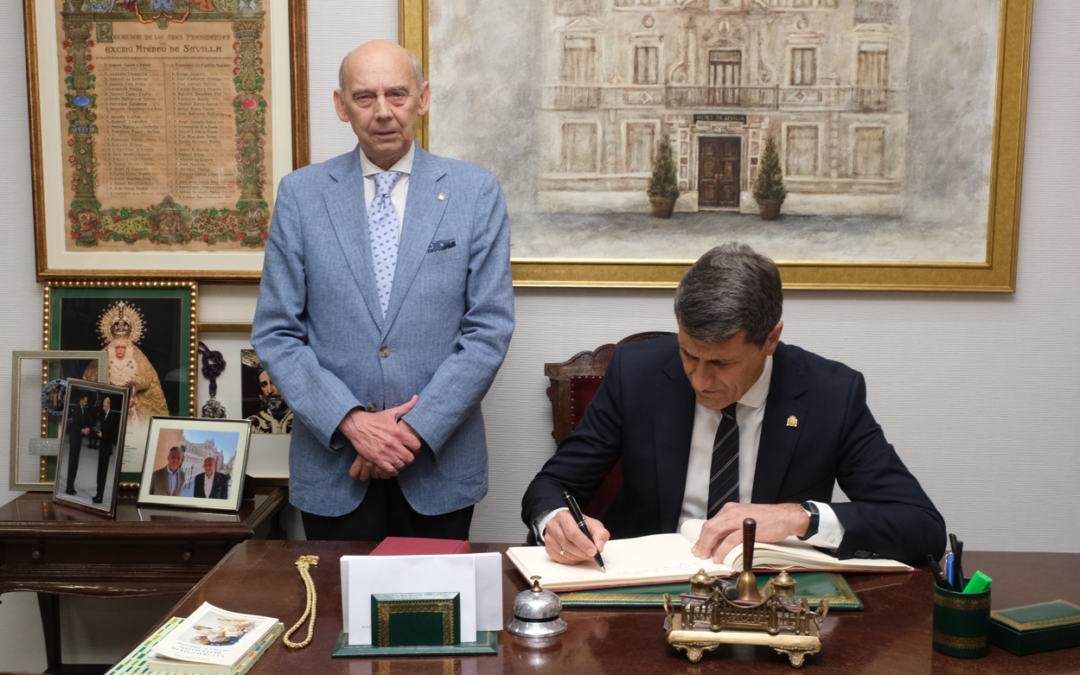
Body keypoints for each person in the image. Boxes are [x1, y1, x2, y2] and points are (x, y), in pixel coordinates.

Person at [522, 243, 946, 567]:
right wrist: (556, 520)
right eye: (690, 354)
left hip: (769, 595)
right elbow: (551, 487)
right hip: (646, 590)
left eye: (722, 362)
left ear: (771, 340)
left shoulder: (830, 394)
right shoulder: (637, 374)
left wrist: (800, 518)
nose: (701, 380)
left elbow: (921, 526)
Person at [251, 39, 514, 542]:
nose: (383, 112)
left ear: (423, 97)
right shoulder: (301, 196)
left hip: (437, 466)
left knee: (435, 617)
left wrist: (405, 436)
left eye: (397, 94)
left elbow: (488, 330)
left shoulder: (475, 192)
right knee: (338, 617)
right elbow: (277, 333)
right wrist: (354, 424)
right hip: (334, 465)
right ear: (340, 105)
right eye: (365, 97)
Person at [83, 302, 169, 430]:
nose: (120, 350)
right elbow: (90, 377)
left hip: (132, 400)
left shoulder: (137, 354)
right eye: (117, 347)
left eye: (123, 347)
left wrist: (136, 383)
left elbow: (149, 377)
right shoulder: (105, 352)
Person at [247, 364, 293, 434]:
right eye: (263, 385)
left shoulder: (301, 421)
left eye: (274, 383)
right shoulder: (252, 423)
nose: (269, 390)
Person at [92, 395, 121, 504]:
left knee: (102, 474)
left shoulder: (111, 417)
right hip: (103, 448)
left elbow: (111, 435)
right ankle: (98, 494)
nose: (103, 407)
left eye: (104, 406)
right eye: (103, 405)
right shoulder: (105, 415)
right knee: (100, 472)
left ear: (109, 405)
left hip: (106, 449)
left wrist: (101, 435)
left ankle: (100, 497)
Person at [64, 394, 94, 496]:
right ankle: (69, 487)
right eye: (85, 401)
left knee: (75, 463)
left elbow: (85, 420)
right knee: (72, 463)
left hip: (78, 439)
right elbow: (73, 425)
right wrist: (82, 430)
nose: (86, 404)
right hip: (74, 439)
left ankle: (71, 485)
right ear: (81, 399)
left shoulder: (83, 409)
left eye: (87, 402)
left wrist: (88, 427)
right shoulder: (76, 408)